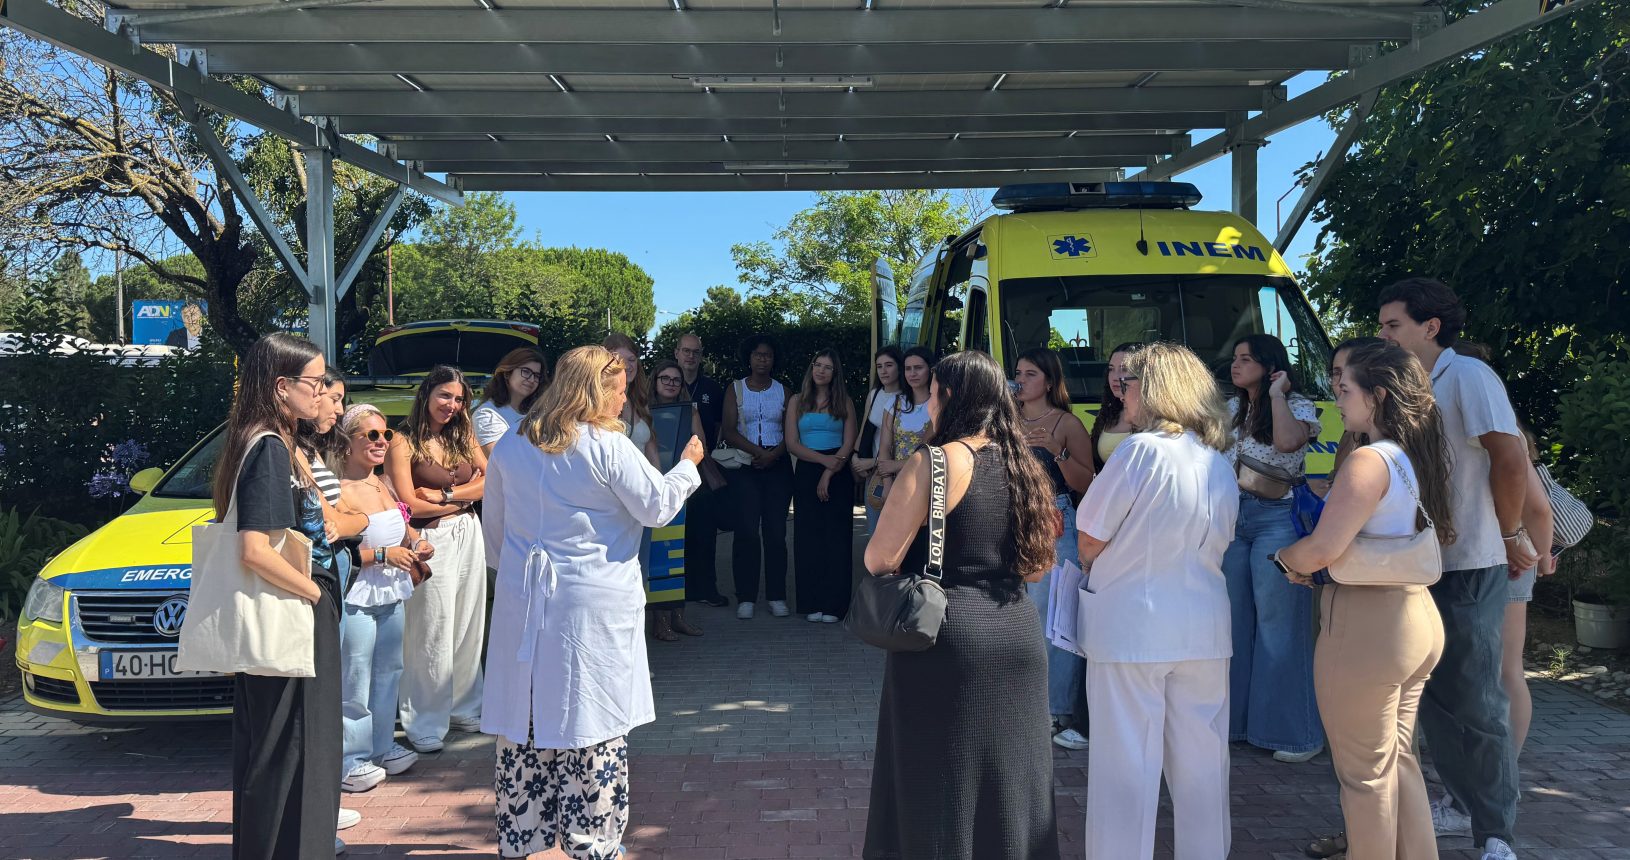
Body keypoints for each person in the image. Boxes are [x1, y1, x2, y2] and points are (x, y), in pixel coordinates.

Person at [482, 345, 704, 860]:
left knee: (525, 715)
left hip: (525, 595)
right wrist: (688, 465)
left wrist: (515, 573)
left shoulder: (514, 441)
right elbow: (657, 507)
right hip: (590, 602)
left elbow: (495, 529)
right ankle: (592, 842)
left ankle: (521, 836)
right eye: (620, 390)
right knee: (592, 717)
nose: (624, 400)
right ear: (596, 391)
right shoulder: (606, 445)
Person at [862, 350, 1060, 860]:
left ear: (949, 396)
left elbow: (879, 558)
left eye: (932, 392)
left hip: (944, 638)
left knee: (938, 785)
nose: (928, 402)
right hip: (1017, 633)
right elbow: (1037, 569)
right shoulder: (1027, 463)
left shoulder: (933, 462)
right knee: (1014, 789)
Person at [1272, 340, 1452, 860]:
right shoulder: (1413, 454)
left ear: (1378, 395)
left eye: (1344, 388)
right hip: (1414, 616)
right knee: (1397, 760)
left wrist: (1284, 559)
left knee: (1364, 776)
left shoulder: (1368, 460)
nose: (1337, 398)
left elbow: (1322, 549)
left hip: (1367, 625)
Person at [1379, 277, 1534, 860]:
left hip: (1469, 562)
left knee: (1478, 702)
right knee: (1434, 701)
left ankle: (1496, 834)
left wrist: (1510, 533)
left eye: (1393, 325)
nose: (1383, 335)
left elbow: (1510, 456)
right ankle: (1463, 807)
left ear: (1431, 326)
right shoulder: (1405, 383)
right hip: (1418, 562)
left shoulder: (1468, 375)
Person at [1074, 342, 1237, 860]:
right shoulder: (1217, 460)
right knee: (1203, 766)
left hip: (1133, 625)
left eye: (1130, 382)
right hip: (1203, 627)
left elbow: (1089, 536)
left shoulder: (1140, 451)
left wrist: (1095, 564)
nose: (1122, 392)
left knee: (1124, 766)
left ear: (1155, 390)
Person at [212, 332, 341, 859]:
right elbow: (255, 550)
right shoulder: (268, 447)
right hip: (291, 611)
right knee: (297, 751)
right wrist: (315, 593)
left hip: (284, 611)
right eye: (316, 382)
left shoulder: (256, 439)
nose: (323, 391)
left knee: (275, 751)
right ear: (283, 386)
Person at [1221, 334, 1326, 763]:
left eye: (1246, 359)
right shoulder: (1230, 408)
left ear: (1270, 366)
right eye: (1235, 358)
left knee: (1279, 626)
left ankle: (1297, 734)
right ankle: (1238, 725)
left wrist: (1277, 394)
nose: (1236, 365)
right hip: (1233, 518)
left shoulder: (1297, 405)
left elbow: (1286, 444)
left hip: (1277, 517)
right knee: (1234, 623)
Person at [385, 365, 488, 754]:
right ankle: (424, 720)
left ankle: (464, 706)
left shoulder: (463, 435)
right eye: (445, 395)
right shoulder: (402, 441)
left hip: (467, 531)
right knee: (431, 627)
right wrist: (466, 495)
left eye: (459, 399)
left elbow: (491, 478)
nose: (452, 405)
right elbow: (409, 503)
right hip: (429, 538)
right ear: (426, 393)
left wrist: (447, 496)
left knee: (468, 620)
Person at [334, 404, 432, 794]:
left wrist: (418, 543)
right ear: (347, 441)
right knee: (355, 675)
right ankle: (350, 759)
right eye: (372, 435)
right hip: (357, 593)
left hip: (391, 591)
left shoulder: (382, 483)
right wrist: (382, 555)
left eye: (386, 434)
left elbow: (403, 528)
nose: (382, 441)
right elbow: (334, 554)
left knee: (389, 669)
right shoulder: (336, 488)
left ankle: (380, 746)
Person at [1012, 348, 1095, 751]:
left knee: (1052, 616)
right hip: (1011, 517)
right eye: (1018, 373)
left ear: (1049, 380)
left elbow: (1087, 482)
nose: (1021, 380)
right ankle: (1021, 703)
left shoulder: (1066, 422)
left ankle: (1055, 708)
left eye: (1030, 374)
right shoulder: (1006, 419)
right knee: (1016, 614)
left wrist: (1057, 452)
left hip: (1054, 519)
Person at [720, 334, 794, 620]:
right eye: (758, 354)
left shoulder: (784, 391)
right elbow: (729, 430)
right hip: (745, 466)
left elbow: (791, 432)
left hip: (778, 467)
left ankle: (776, 596)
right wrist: (758, 453)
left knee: (776, 533)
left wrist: (773, 455)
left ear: (774, 359)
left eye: (768, 355)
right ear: (749, 358)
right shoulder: (735, 389)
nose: (763, 359)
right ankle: (746, 596)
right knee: (747, 531)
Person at [785, 348, 858, 623]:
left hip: (838, 471)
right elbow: (792, 443)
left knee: (837, 538)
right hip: (807, 470)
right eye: (817, 365)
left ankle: (835, 605)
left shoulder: (845, 402)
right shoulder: (797, 401)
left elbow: (849, 442)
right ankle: (811, 602)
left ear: (835, 373)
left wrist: (829, 470)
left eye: (827, 367)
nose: (821, 371)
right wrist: (821, 461)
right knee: (808, 537)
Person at [649, 359, 706, 639]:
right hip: (652, 486)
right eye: (665, 378)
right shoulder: (642, 409)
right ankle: (659, 621)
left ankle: (678, 617)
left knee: (679, 553)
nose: (671, 384)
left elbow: (700, 443)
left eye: (676, 380)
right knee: (658, 554)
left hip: (683, 484)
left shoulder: (689, 410)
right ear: (655, 381)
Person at [674, 333, 730, 608]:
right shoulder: (667, 382)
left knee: (705, 531)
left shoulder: (712, 388)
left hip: (702, 467)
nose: (690, 356)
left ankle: (707, 588)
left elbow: (719, 425)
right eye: (686, 351)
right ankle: (677, 590)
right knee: (676, 531)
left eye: (695, 352)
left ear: (701, 355)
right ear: (676, 353)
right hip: (670, 467)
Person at [851, 346, 904, 534]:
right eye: (879, 366)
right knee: (875, 531)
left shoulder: (907, 398)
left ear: (899, 367)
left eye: (889, 365)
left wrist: (872, 462)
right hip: (874, 475)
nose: (883, 370)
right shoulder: (874, 395)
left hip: (899, 472)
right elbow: (865, 430)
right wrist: (855, 456)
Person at [873, 347, 934, 507]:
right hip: (896, 480)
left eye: (918, 368)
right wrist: (887, 484)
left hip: (929, 481)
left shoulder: (939, 405)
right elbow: (885, 447)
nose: (912, 373)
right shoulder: (894, 403)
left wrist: (896, 465)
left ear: (930, 370)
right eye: (908, 368)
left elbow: (932, 450)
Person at [473, 347, 547, 457]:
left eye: (536, 376)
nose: (532, 380)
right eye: (526, 372)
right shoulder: (488, 414)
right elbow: (504, 461)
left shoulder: (537, 413)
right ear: (507, 373)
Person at [1087, 342, 1142, 471]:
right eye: (1111, 369)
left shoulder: (1156, 415)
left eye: (1124, 369)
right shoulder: (1109, 412)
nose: (1115, 377)